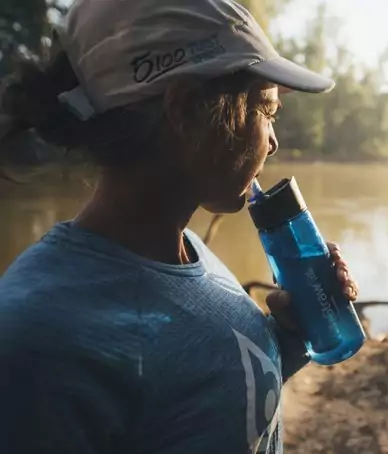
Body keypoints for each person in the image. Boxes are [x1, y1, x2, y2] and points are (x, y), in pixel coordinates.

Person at [0, 0, 359, 453]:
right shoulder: (39, 336)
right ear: (187, 109)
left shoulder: (186, 250)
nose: (273, 141)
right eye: (265, 110)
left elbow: (202, 401)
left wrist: (288, 337)